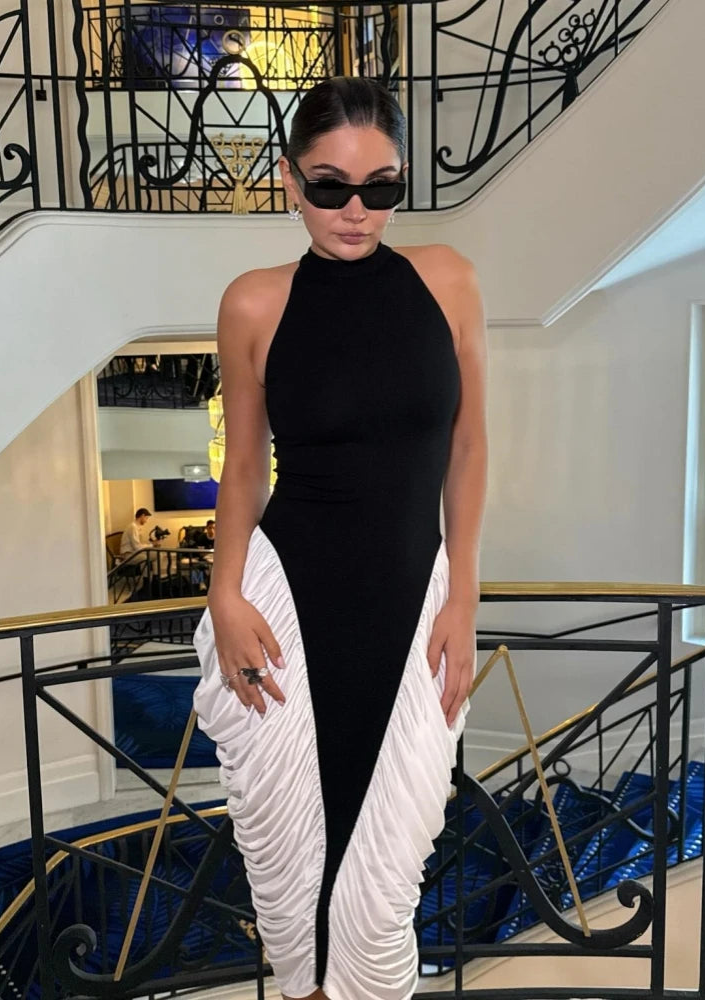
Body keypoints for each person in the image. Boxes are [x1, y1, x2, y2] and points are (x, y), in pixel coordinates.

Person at [192, 75, 488, 1000]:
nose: (356, 211)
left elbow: (469, 446)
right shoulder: (254, 303)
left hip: (411, 608)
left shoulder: (448, 280)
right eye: (329, 187)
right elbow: (244, 468)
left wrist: (465, 597)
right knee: (294, 887)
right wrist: (223, 592)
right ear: (289, 179)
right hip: (291, 605)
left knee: (382, 890)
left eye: (381, 187)